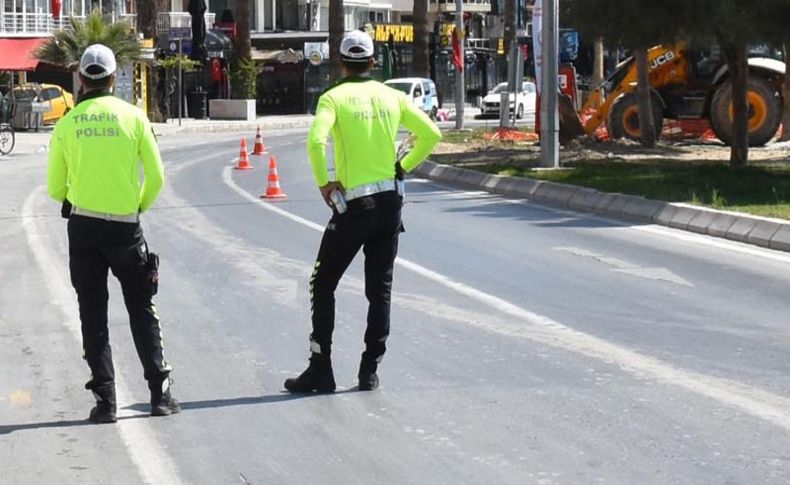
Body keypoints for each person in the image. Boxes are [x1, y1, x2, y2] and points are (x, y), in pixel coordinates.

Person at [284, 30, 441, 393]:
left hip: (355, 206)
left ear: (340, 63)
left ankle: (320, 367)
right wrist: (404, 165)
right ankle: (369, 370)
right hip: (389, 204)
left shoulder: (333, 98)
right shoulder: (393, 96)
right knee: (380, 289)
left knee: (323, 283)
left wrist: (325, 183)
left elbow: (315, 141)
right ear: (373, 63)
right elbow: (431, 133)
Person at [47, 44, 180, 423]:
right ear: (112, 77)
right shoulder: (134, 117)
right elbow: (156, 177)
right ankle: (160, 394)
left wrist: (77, 196)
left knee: (93, 311)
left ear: (81, 78)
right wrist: (136, 205)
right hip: (125, 227)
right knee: (141, 307)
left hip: (83, 228)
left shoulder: (68, 124)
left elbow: (56, 188)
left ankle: (105, 401)